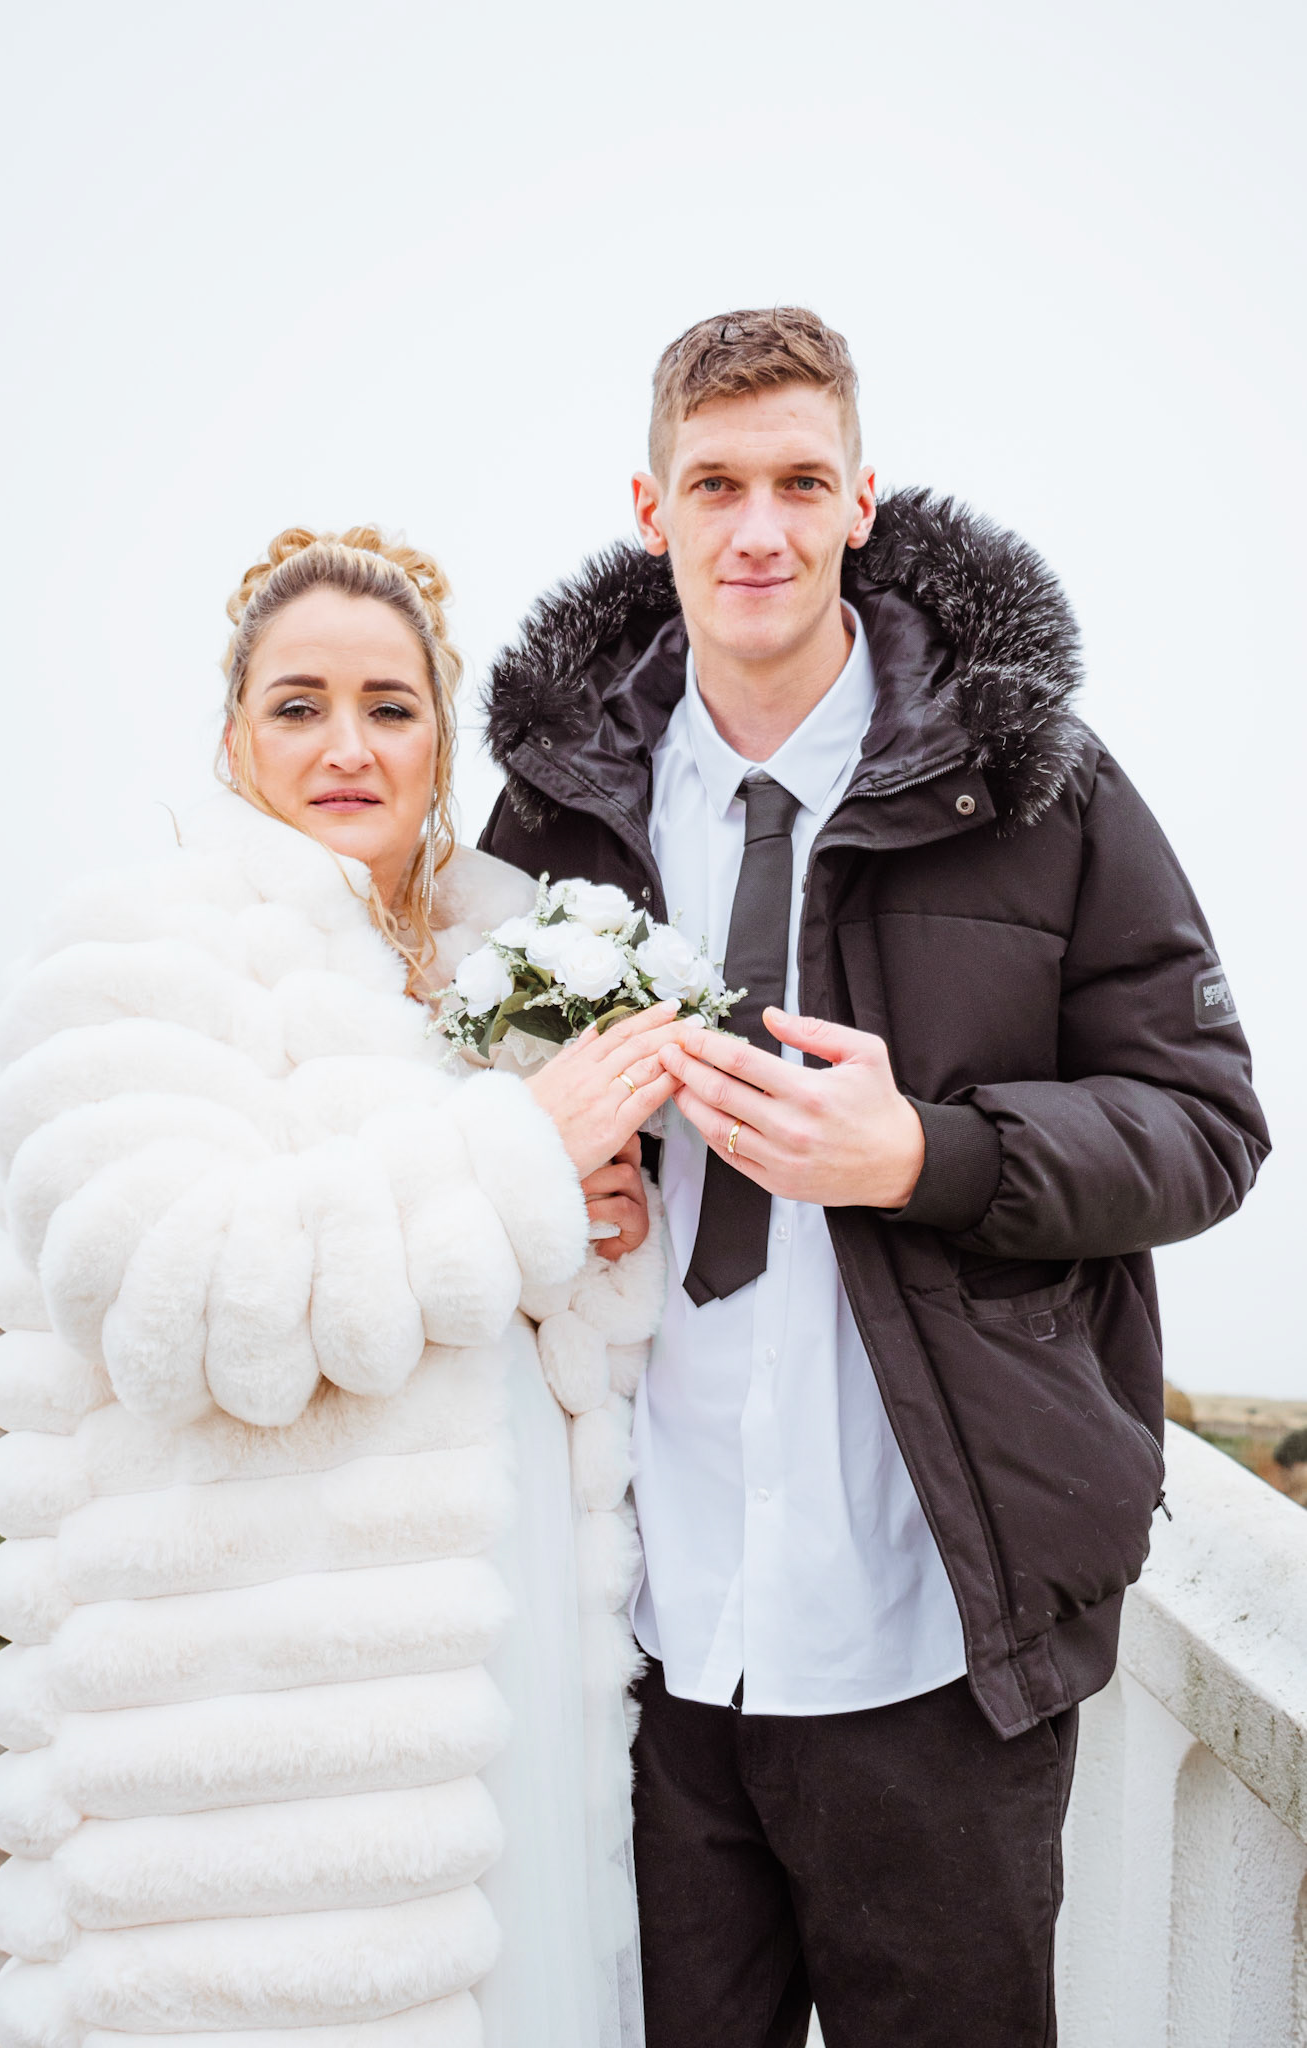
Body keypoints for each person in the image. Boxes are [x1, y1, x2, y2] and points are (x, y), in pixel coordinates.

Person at [479, 308, 1271, 2047]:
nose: (757, 528)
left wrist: (930, 1153)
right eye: (714, 485)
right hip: (638, 1626)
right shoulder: (550, 815)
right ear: (649, 509)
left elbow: (1205, 1123)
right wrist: (547, 1174)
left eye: (799, 482)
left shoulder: (1040, 783)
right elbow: (464, 1123)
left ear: (860, 502)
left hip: (929, 1628)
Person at [0, 527, 684, 2048]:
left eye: (389, 707)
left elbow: (470, 1290)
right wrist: (518, 1158)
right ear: (234, 738)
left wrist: (585, 1233)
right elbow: (177, 1292)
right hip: (263, 1744)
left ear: (440, 740)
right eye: (298, 706)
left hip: (491, 1664)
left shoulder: (485, 968)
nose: (347, 746)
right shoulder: (141, 947)